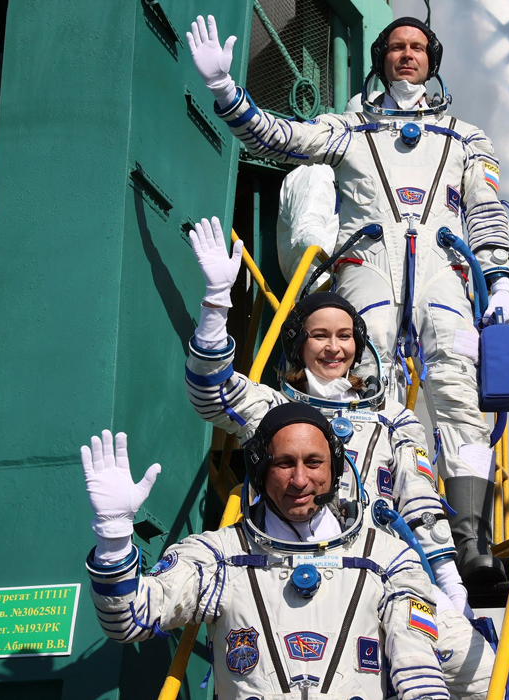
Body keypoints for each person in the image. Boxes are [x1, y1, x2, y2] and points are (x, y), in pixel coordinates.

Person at [186, 15, 509, 585]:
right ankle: (356, 523)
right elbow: (281, 138)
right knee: (361, 392)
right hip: (369, 272)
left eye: (417, 48)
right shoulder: (349, 128)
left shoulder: (466, 138)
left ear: (431, 59)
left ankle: (469, 543)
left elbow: (485, 211)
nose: (407, 56)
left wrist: (500, 280)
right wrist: (226, 93)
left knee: (459, 394)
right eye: (396, 47)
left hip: (444, 274)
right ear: (381, 58)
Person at [186, 215, 468, 614]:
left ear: (359, 344)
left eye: (345, 336)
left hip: (375, 575)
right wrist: (216, 302)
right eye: (320, 336)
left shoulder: (394, 420)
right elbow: (210, 389)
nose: (334, 348)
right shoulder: (274, 410)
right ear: (299, 345)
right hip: (283, 573)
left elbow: (418, 502)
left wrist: (449, 584)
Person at [82, 404, 453, 700]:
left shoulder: (388, 559)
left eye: (314, 462)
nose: (300, 480)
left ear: (336, 467)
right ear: (260, 470)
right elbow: (129, 620)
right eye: (284, 463)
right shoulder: (219, 557)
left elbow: (419, 676)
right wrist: (114, 538)